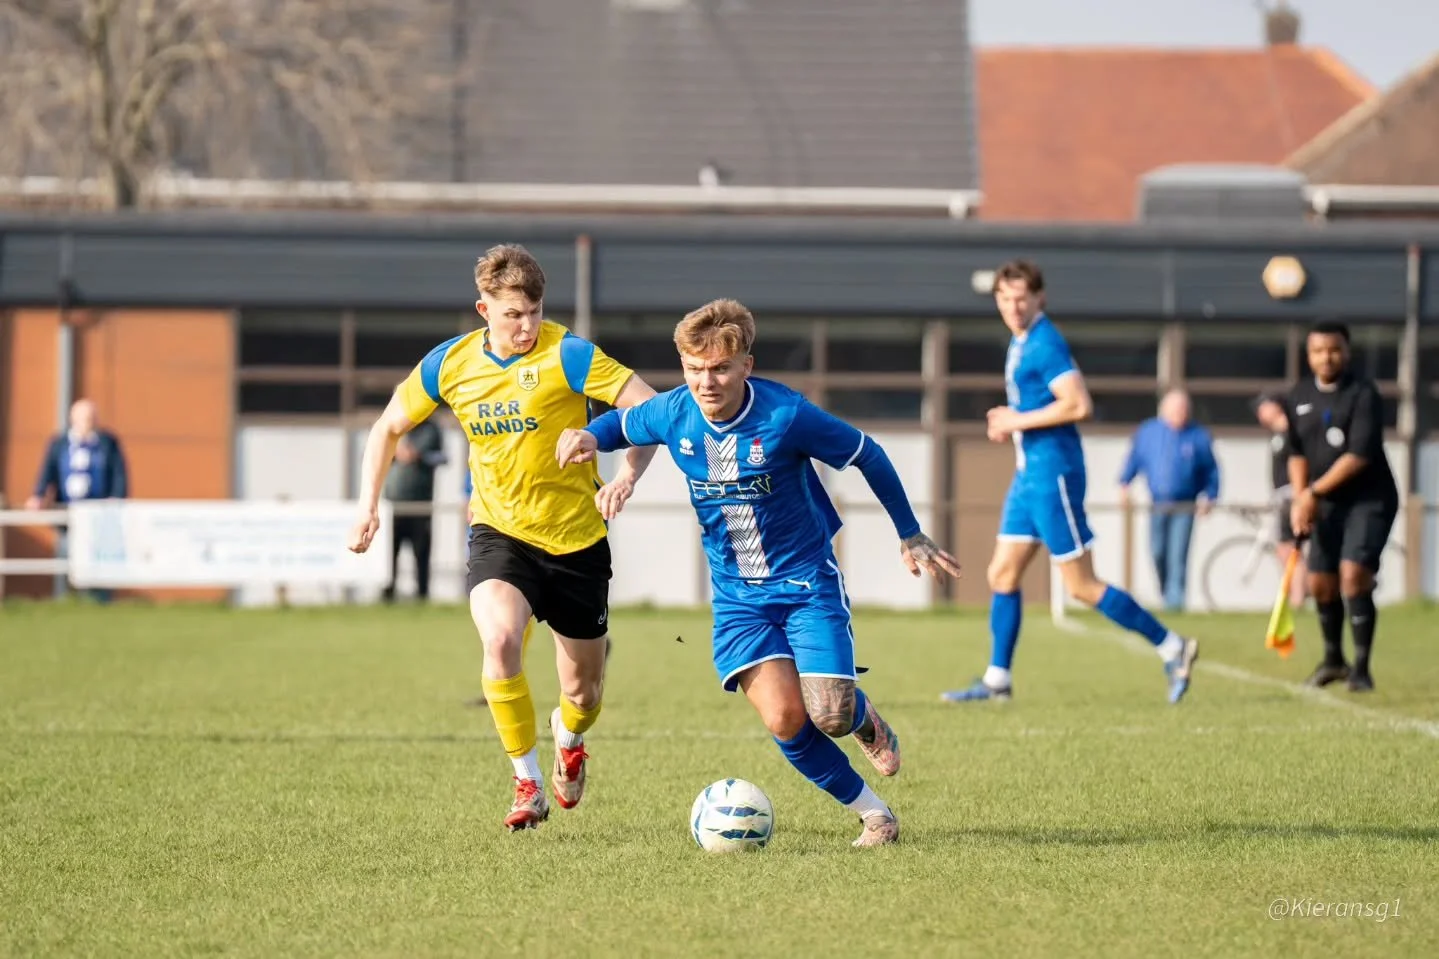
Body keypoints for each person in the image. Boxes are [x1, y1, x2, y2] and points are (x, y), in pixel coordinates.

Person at [556, 299, 962, 848]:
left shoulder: (786, 415)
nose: (706, 382)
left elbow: (868, 453)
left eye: (720, 368)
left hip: (805, 583)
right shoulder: (674, 412)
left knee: (831, 713)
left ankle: (864, 719)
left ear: (747, 365)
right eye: (694, 369)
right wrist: (590, 438)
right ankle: (875, 816)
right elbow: (621, 423)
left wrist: (909, 533)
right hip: (738, 599)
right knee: (785, 719)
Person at [348, 243, 658, 830]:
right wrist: (368, 507)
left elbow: (651, 411)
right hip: (500, 533)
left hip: (576, 540)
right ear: (482, 309)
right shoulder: (450, 364)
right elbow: (388, 427)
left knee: (584, 692)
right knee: (500, 641)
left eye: (535, 312)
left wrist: (625, 472)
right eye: (513, 314)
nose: (526, 326)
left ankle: (568, 737)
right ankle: (527, 781)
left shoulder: (569, 355)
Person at [942, 260, 1199, 705]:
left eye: (1021, 298)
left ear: (1040, 298)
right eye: (1004, 299)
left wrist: (1017, 419)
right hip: (1029, 475)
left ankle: (1173, 647)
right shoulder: (1022, 341)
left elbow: (1079, 405)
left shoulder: (1044, 343)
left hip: (1053, 475)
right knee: (1001, 573)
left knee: (1081, 586)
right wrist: (1013, 426)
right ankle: (997, 681)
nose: (1013, 307)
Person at [1284, 321, 1398, 693]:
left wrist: (1310, 495)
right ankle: (1334, 660)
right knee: (1320, 583)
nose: (1327, 357)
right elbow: (1296, 453)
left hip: (1369, 500)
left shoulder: (1363, 394)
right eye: (1319, 351)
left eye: (1334, 350)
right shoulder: (1298, 395)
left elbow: (1358, 457)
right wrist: (1302, 499)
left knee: (1353, 576)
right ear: (1309, 355)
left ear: (1346, 352)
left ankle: (1361, 669)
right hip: (1324, 503)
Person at [1118, 389, 1220, 612]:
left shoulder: (1198, 436)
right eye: (1174, 409)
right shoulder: (1149, 432)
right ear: (1163, 410)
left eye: (1183, 409)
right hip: (1157, 503)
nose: (1179, 414)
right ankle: (1166, 594)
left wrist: (1210, 497)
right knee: (1157, 551)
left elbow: (1212, 471)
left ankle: (1175, 604)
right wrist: (1124, 485)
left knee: (1178, 554)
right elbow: (1133, 460)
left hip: (1185, 504)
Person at [26, 398, 129, 603]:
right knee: (67, 554)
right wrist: (38, 496)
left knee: (102, 558)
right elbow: (47, 472)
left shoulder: (108, 443)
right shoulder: (60, 444)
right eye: (84, 418)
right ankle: (67, 599)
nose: (88, 422)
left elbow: (119, 474)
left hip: (100, 515)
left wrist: (117, 499)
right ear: (73, 418)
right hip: (69, 513)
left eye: (92, 418)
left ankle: (101, 601)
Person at [381, 412, 447, 602]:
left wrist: (418, 456)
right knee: (389, 553)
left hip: (420, 505)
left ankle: (422, 594)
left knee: (421, 552)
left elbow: (442, 458)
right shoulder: (391, 425)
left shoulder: (431, 429)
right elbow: (373, 454)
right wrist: (394, 453)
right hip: (393, 505)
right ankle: (388, 592)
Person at [1254, 393, 1306, 609]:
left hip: (1291, 495)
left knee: (1293, 548)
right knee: (1283, 548)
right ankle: (1293, 592)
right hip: (1280, 496)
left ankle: (1298, 597)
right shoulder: (1276, 434)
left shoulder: (1292, 430)